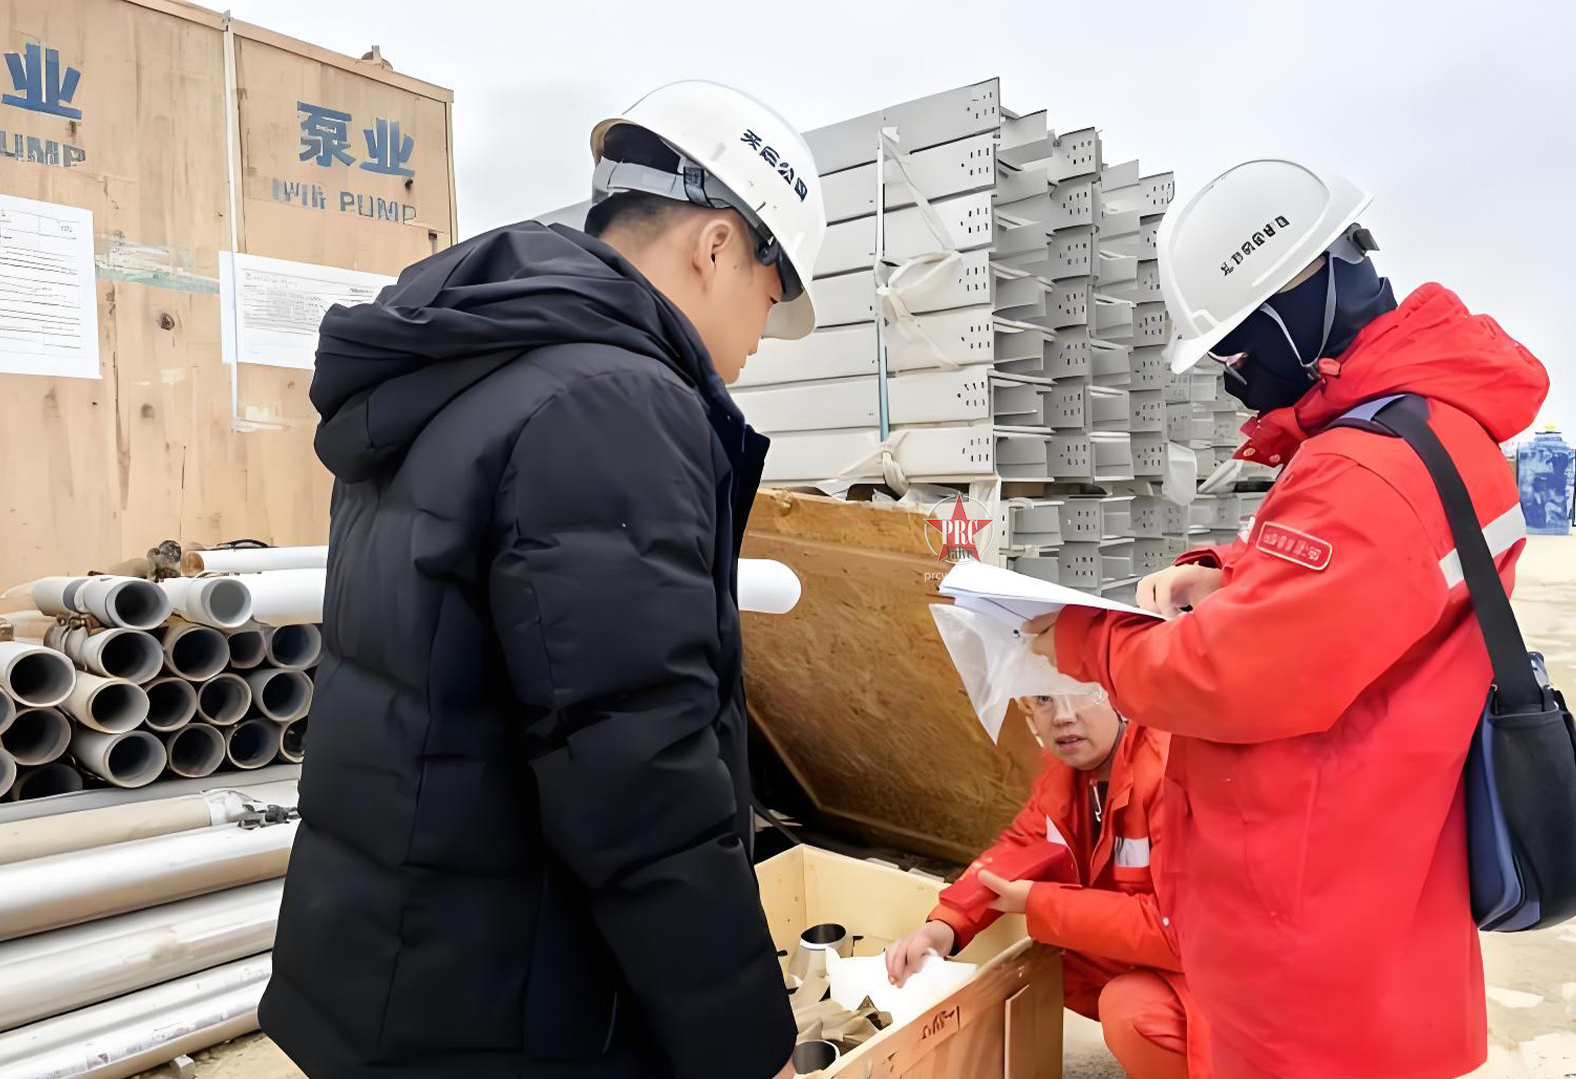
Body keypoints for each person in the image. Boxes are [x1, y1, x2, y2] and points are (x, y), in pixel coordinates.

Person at [259, 81, 826, 1079]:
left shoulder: (461, 369)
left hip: (392, 963)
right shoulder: (614, 402)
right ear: (720, 245)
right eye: (769, 303)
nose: (749, 354)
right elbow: (637, 763)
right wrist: (743, 1040)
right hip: (514, 1006)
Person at [1026, 160, 1550, 1079]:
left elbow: (1230, 675)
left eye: (1233, 353)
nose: (1236, 380)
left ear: (1286, 307)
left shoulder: (1365, 467)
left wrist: (1076, 636)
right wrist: (1221, 571)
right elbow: (1361, 588)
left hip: (1308, 927)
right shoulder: (1426, 432)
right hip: (1379, 880)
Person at [884, 692, 1208, 1079]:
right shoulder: (1067, 773)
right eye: (1043, 699)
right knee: (1038, 958)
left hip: (1221, 975)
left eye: (1084, 692)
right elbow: (1020, 848)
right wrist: (944, 926)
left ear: (1120, 694)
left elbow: (1183, 934)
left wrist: (1040, 902)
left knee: (1130, 1009)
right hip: (1163, 952)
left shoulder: (1170, 768)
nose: (1063, 717)